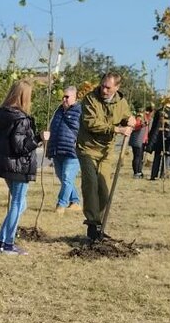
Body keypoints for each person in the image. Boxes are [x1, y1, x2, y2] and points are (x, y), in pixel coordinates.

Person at [77, 72, 134, 241]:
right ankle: (92, 225)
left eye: (108, 87)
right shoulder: (90, 99)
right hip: (87, 148)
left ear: (117, 87)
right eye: (102, 85)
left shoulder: (121, 102)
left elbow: (126, 118)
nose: (104, 90)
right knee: (91, 185)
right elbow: (91, 123)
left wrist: (131, 121)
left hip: (106, 152)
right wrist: (116, 129)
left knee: (104, 188)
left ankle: (100, 226)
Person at [0, 80, 40, 254]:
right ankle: (8, 244)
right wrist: (38, 138)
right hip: (18, 167)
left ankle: (0, 242)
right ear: (24, 96)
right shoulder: (21, 119)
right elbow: (20, 147)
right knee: (18, 204)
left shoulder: (1, 114)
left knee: (21, 204)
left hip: (6, 166)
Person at [46, 85, 82, 210]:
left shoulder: (79, 111)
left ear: (74, 97)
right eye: (63, 96)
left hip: (72, 151)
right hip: (57, 149)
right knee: (63, 178)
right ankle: (75, 201)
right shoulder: (59, 111)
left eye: (67, 97)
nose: (64, 99)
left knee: (67, 177)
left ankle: (61, 204)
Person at [148, 101, 170, 181]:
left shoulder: (158, 111)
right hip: (167, 136)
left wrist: (151, 137)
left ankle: (153, 175)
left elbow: (153, 126)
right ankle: (163, 174)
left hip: (157, 136)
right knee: (167, 155)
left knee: (157, 155)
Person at [130, 102, 152, 178]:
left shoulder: (146, 117)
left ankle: (139, 171)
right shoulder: (138, 117)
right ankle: (136, 172)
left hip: (143, 140)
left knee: (140, 157)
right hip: (137, 140)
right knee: (137, 156)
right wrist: (142, 125)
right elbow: (134, 127)